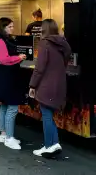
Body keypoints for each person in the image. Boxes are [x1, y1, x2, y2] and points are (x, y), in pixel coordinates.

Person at [29, 19, 71, 158]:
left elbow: (39, 68)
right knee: (49, 114)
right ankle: (54, 143)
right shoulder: (63, 44)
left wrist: (32, 85)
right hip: (60, 85)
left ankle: (49, 145)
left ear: (44, 29)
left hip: (46, 85)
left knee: (46, 115)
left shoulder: (44, 44)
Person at [0, 17, 27, 150]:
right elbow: (4, 59)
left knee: (5, 106)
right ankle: (9, 138)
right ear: (3, 27)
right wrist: (19, 57)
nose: (12, 29)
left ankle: (3, 134)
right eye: (10, 27)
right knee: (12, 108)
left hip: (2, 79)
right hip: (8, 79)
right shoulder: (0, 41)